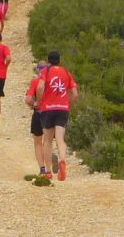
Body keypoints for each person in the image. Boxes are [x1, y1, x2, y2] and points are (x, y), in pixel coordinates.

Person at [36, 50, 78, 180]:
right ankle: (63, 160)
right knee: (60, 138)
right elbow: (75, 94)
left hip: (48, 109)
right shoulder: (67, 73)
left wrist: (39, 101)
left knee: (47, 140)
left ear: (48, 62)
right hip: (62, 109)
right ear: (60, 60)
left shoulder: (45, 72)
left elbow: (40, 87)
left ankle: (48, 171)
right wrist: (67, 104)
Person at [25, 60, 51, 174]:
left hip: (38, 113)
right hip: (51, 113)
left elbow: (28, 99)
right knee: (48, 142)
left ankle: (42, 168)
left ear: (38, 70)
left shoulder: (36, 82)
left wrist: (33, 104)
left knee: (37, 142)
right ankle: (49, 168)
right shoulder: (52, 82)